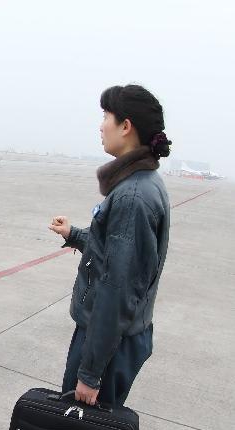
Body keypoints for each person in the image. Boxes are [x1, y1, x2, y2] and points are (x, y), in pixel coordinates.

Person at [49, 85, 171, 408]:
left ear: (126, 127)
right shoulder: (144, 183)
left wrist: (90, 374)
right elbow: (115, 253)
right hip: (115, 338)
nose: (101, 125)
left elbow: (117, 289)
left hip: (107, 344)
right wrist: (74, 233)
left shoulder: (133, 196)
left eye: (106, 116)